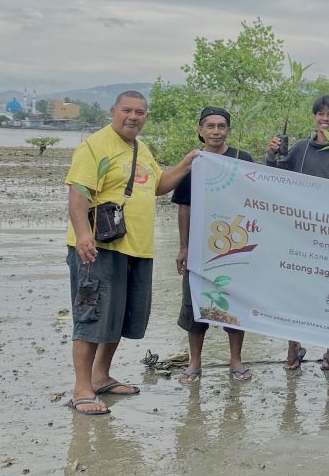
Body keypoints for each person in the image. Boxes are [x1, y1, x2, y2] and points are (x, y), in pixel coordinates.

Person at [64, 91, 199, 416]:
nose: (133, 117)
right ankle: (82, 388)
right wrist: (83, 234)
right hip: (100, 248)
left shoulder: (141, 148)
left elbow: (158, 185)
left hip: (136, 249)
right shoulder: (95, 146)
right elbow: (78, 192)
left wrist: (187, 163)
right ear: (113, 111)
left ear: (146, 117)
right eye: (127, 110)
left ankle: (101, 376)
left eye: (140, 112)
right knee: (92, 315)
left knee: (120, 316)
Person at [267, 95, 329, 372]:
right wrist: (271, 155)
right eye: (321, 114)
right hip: (300, 234)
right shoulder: (299, 149)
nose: (325, 119)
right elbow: (275, 179)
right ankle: (292, 349)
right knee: (296, 292)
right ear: (314, 117)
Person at [174, 107, 255, 384]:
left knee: (233, 304)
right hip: (199, 247)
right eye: (210, 126)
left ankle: (236, 361)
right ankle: (195, 363)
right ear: (200, 130)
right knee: (194, 303)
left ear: (229, 131)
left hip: (233, 244)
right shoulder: (193, 162)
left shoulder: (242, 160)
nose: (216, 131)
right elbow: (184, 207)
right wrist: (183, 247)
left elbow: (256, 200)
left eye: (222, 126)